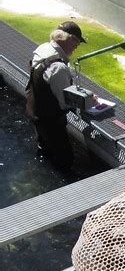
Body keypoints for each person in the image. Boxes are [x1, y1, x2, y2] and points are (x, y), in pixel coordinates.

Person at [26, 21, 86, 172]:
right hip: (50, 119)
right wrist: (87, 101)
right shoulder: (58, 67)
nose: (76, 48)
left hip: (33, 110)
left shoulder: (43, 48)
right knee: (65, 159)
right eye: (77, 43)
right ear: (71, 39)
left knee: (44, 148)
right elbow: (65, 103)